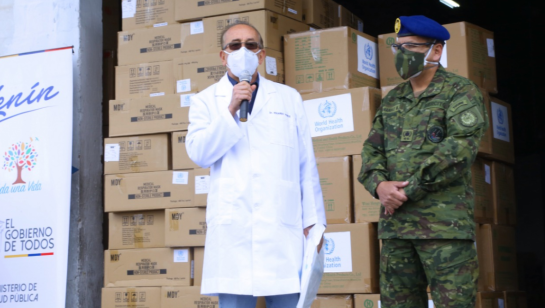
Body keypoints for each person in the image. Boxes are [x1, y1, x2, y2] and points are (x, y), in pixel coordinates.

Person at [186, 21, 326, 308]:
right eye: (234, 45)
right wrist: (231, 110)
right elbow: (199, 154)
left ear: (261, 55)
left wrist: (315, 222)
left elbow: (305, 163)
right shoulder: (205, 102)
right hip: (233, 229)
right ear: (223, 56)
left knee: (289, 300)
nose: (243, 51)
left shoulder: (288, 98)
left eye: (251, 45)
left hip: (282, 226)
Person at [358, 15, 489, 308]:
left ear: (436, 50)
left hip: (444, 229)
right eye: (397, 47)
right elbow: (371, 151)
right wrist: (379, 186)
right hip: (396, 231)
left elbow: (458, 150)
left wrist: (405, 191)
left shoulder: (460, 91)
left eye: (411, 47)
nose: (401, 55)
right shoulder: (393, 99)